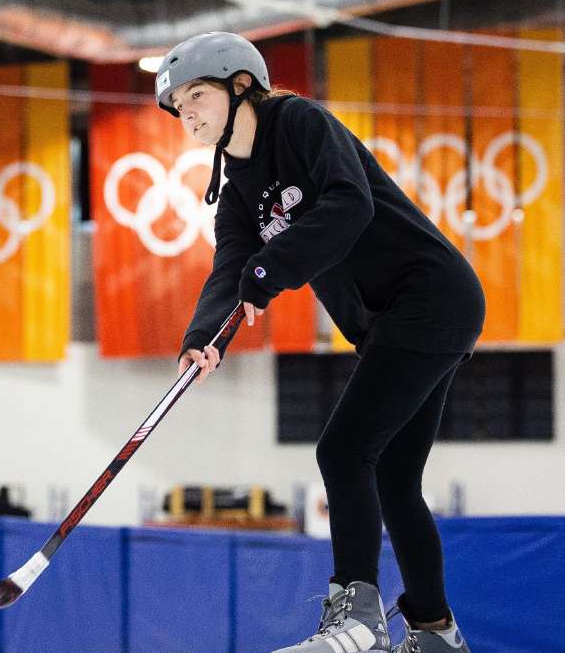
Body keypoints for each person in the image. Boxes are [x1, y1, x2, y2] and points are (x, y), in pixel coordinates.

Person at [157, 32, 484, 653]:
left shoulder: (299, 122)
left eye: (197, 94)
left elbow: (349, 204)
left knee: (341, 452)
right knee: (392, 476)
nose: (187, 111)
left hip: (430, 296)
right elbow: (231, 267)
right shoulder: (236, 195)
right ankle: (437, 631)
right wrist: (202, 337)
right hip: (394, 323)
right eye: (179, 103)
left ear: (241, 86)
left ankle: (357, 613)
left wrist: (269, 269)